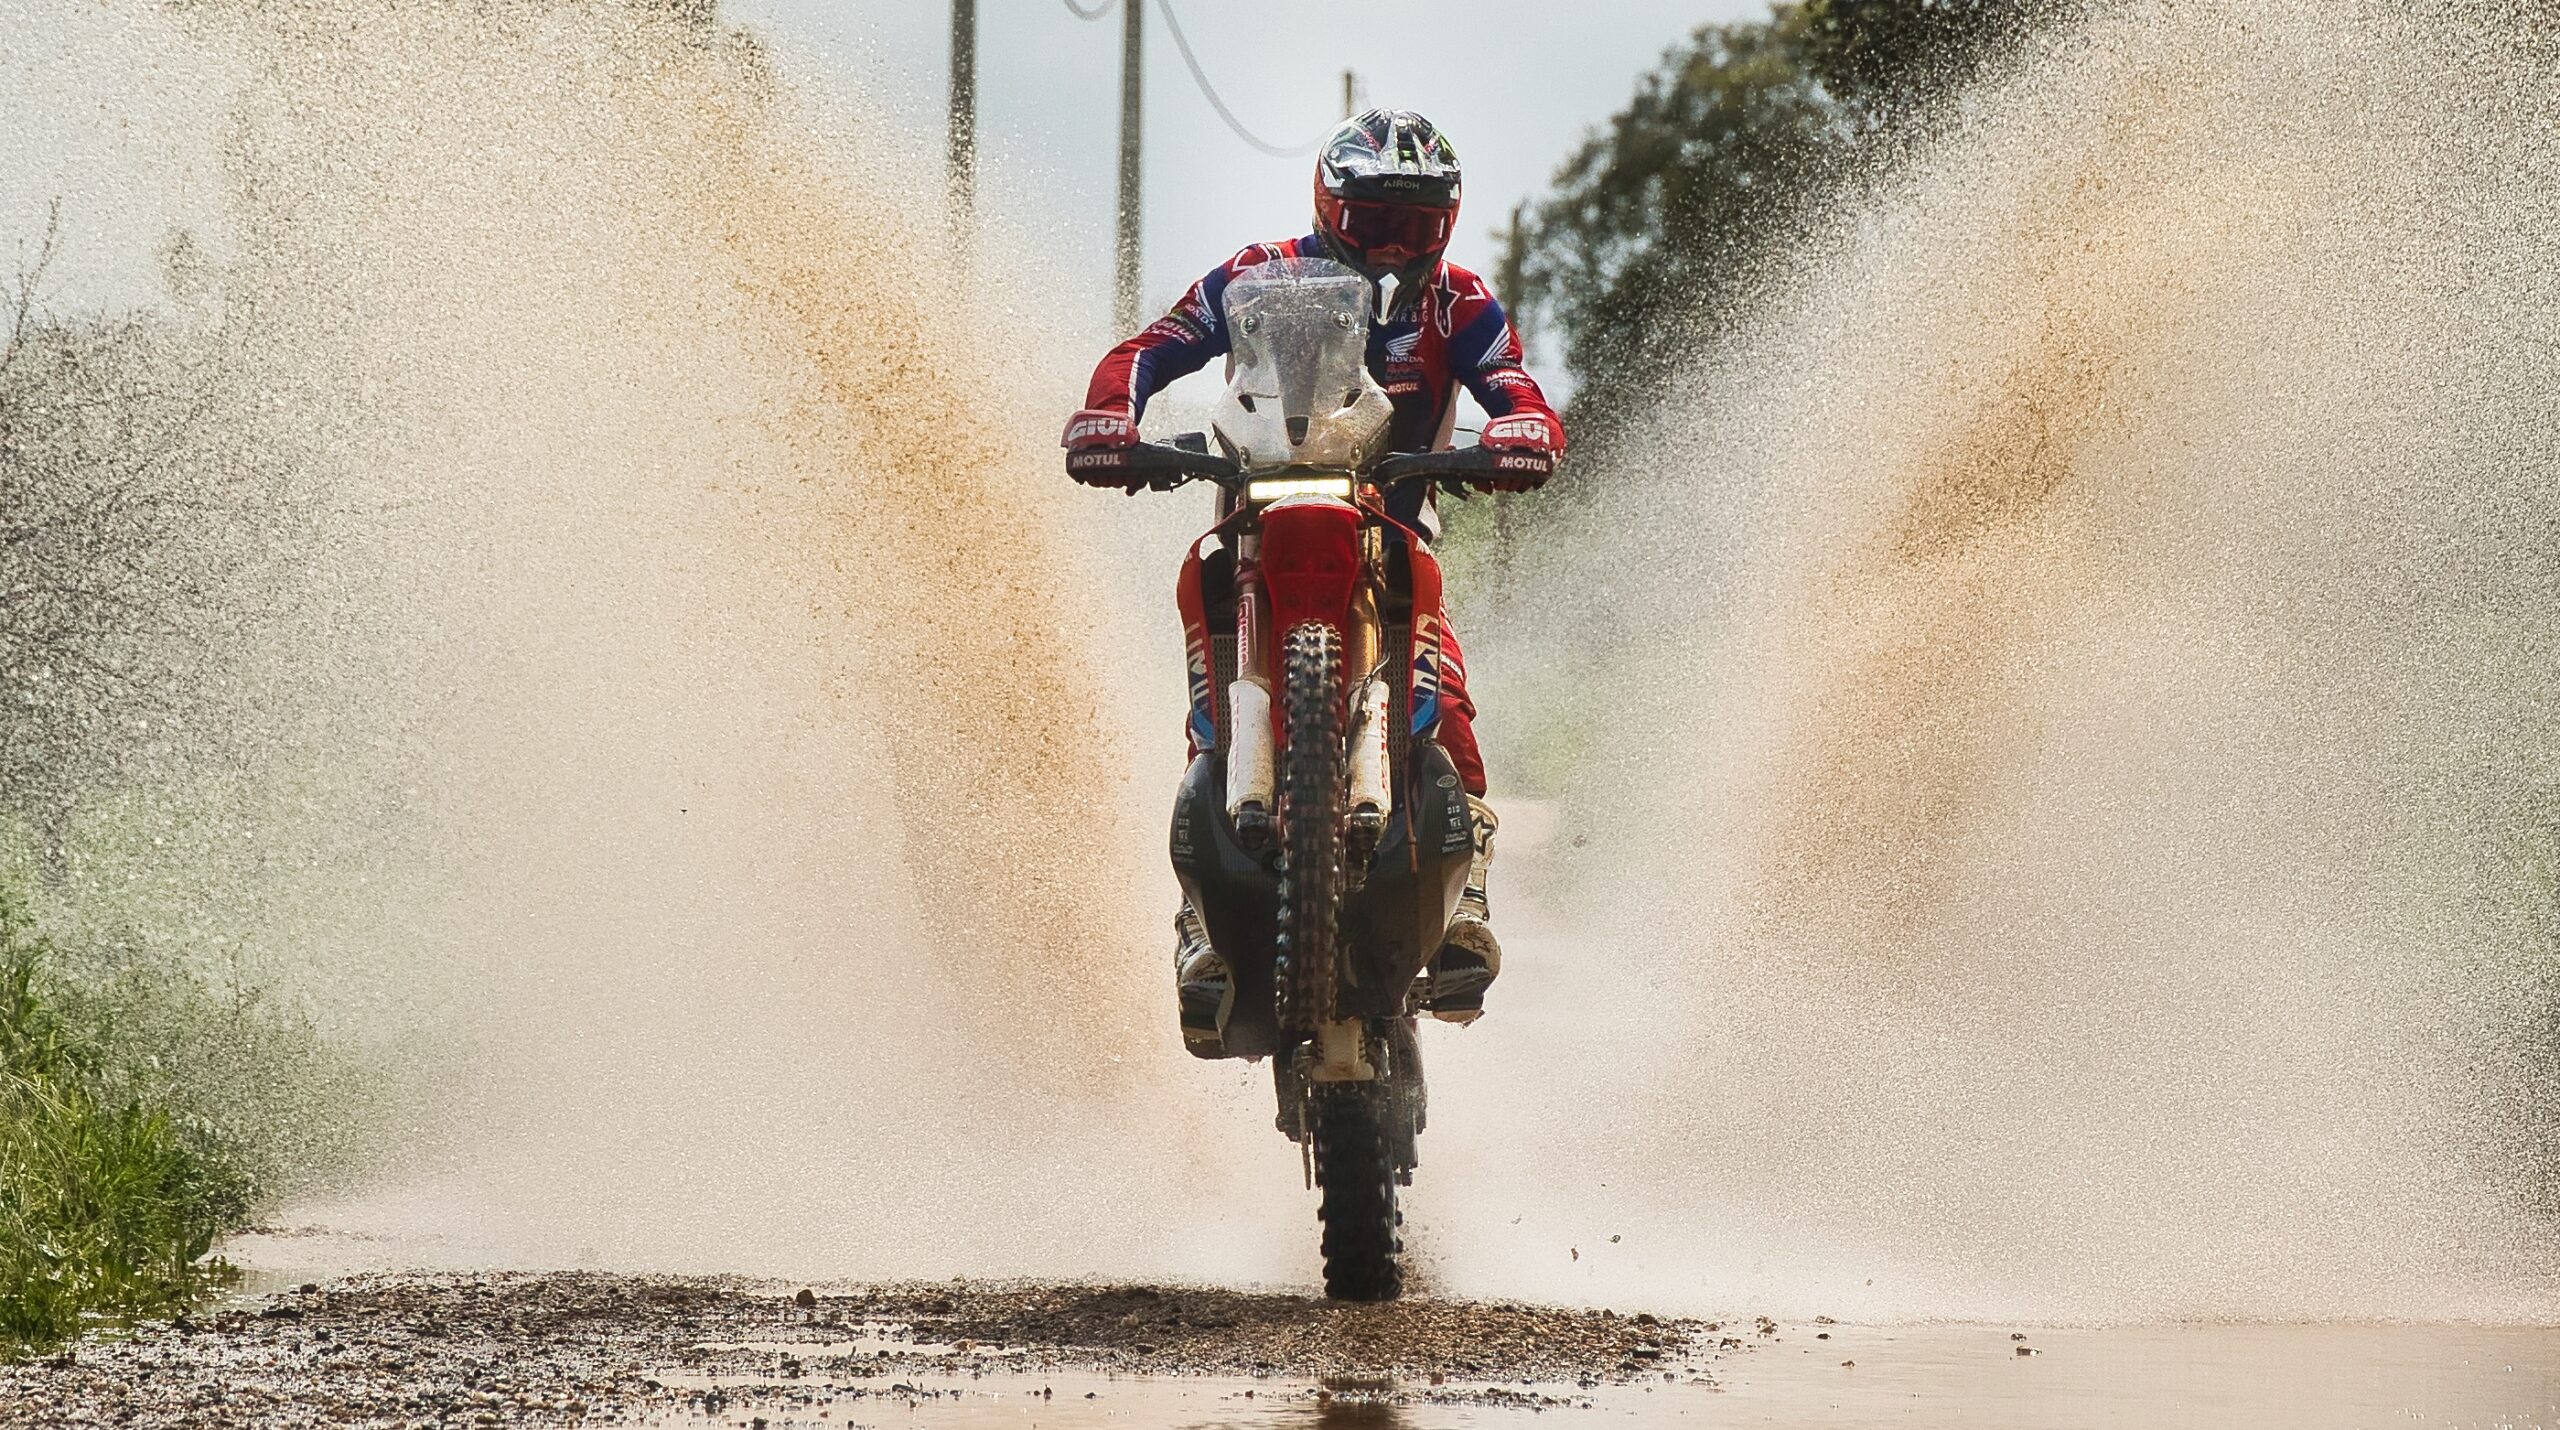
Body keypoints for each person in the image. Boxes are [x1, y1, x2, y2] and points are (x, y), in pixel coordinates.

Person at [1061, 109, 1565, 1045]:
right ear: (1329, 208)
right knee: (1210, 689)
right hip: (1258, 521)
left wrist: (1524, 429)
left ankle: (1467, 905)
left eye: (1410, 227)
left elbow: (1515, 385)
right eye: (1371, 219)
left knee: (1445, 698)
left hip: (1391, 524)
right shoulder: (1257, 274)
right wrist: (1108, 418)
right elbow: (1153, 347)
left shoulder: (1457, 302)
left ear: (1443, 228)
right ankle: (1198, 925)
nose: (1388, 244)